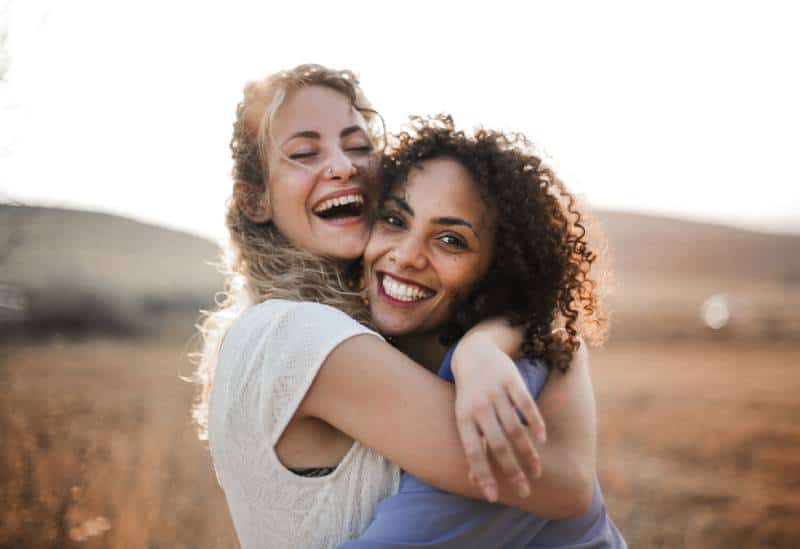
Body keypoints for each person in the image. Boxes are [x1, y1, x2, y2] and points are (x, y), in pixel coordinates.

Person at [193, 65, 597, 549]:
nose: (342, 165)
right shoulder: (301, 334)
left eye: (358, 145)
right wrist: (539, 346)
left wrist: (486, 343)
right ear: (255, 200)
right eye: (304, 153)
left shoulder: (297, 326)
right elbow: (563, 483)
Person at [339, 115, 625, 547]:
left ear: (499, 270)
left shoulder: (503, 393)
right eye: (395, 220)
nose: (407, 255)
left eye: (451, 240)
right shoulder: (428, 348)